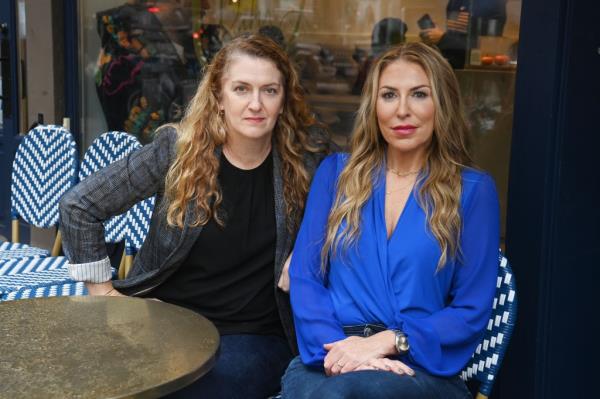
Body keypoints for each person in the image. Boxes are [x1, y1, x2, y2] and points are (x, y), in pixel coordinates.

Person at [59, 34, 332, 399]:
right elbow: (79, 207)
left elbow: (360, 205)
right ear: (218, 97)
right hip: (166, 322)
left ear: (284, 100)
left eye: (269, 90)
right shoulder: (178, 150)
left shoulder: (308, 157)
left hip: (255, 335)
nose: (256, 104)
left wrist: (311, 251)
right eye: (241, 89)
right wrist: (106, 294)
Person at [281, 42, 500, 398]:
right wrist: (342, 348)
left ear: (441, 104)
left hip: (417, 365)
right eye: (388, 95)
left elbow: (470, 310)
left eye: (418, 95)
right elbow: (306, 279)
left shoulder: (472, 191)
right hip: (332, 356)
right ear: (374, 106)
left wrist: (389, 341)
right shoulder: (335, 175)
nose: (402, 110)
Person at [420, 0, 507, 68]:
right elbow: (455, 34)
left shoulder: (493, 3)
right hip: (452, 67)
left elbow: (488, 45)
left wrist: (443, 38)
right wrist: (434, 38)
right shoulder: (455, 2)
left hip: (477, 71)